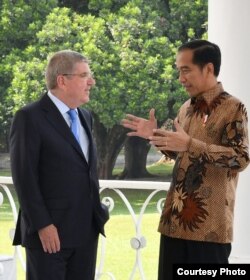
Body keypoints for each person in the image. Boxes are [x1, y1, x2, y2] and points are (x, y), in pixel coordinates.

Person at [122, 39, 249, 279]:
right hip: (173, 224)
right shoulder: (186, 108)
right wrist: (155, 136)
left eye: (186, 70)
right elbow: (179, 153)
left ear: (208, 68)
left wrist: (191, 144)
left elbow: (240, 159)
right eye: (179, 71)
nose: (181, 78)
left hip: (209, 231)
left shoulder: (234, 108)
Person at [9, 50, 109, 280]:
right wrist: (43, 225)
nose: (91, 81)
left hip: (85, 231)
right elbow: (25, 178)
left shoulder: (85, 117)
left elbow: (84, 170)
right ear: (62, 80)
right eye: (84, 75)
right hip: (49, 235)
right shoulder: (29, 117)